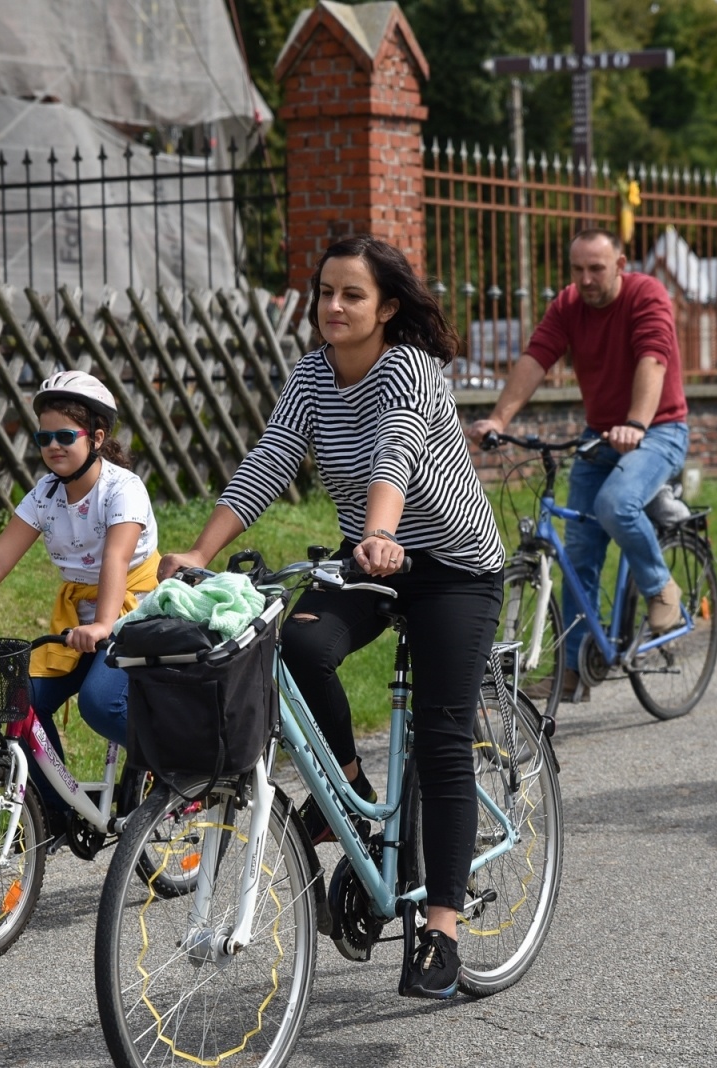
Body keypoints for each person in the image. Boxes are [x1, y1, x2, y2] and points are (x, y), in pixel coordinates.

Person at [159, 235, 504, 1000]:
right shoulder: (313, 374)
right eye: (325, 293)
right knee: (298, 646)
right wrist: (199, 550)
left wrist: (381, 530)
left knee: (442, 739)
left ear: (386, 307)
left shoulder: (409, 367)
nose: (335, 307)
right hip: (370, 559)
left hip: (451, 567)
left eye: (353, 294)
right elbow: (271, 457)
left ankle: (441, 930)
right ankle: (345, 787)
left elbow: (397, 450)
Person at [0, 370, 160, 836]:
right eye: (44, 436)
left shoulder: (122, 488)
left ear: (96, 438)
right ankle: (56, 813)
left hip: (136, 611)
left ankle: (180, 764)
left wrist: (104, 625)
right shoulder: (46, 494)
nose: (53, 445)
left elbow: (117, 557)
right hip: (79, 618)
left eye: (65, 436)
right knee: (19, 700)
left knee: (100, 703)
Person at [468, 227, 689, 703]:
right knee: (579, 554)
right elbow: (535, 359)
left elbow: (653, 359)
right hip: (599, 438)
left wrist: (635, 422)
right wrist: (497, 418)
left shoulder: (647, 296)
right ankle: (571, 673)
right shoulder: (568, 305)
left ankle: (659, 586)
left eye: (597, 268)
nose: (586, 279)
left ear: (620, 265)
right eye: (578, 269)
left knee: (616, 503)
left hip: (658, 431)